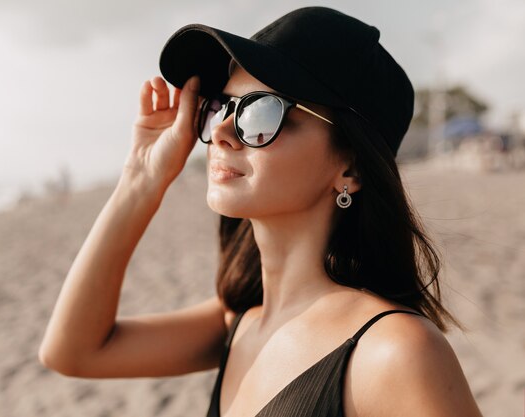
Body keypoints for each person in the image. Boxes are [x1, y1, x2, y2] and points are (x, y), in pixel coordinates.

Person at [38, 7, 484, 417]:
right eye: (222, 106)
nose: (226, 131)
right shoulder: (238, 321)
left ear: (350, 165)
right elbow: (73, 351)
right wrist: (140, 179)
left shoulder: (394, 352)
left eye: (262, 111)